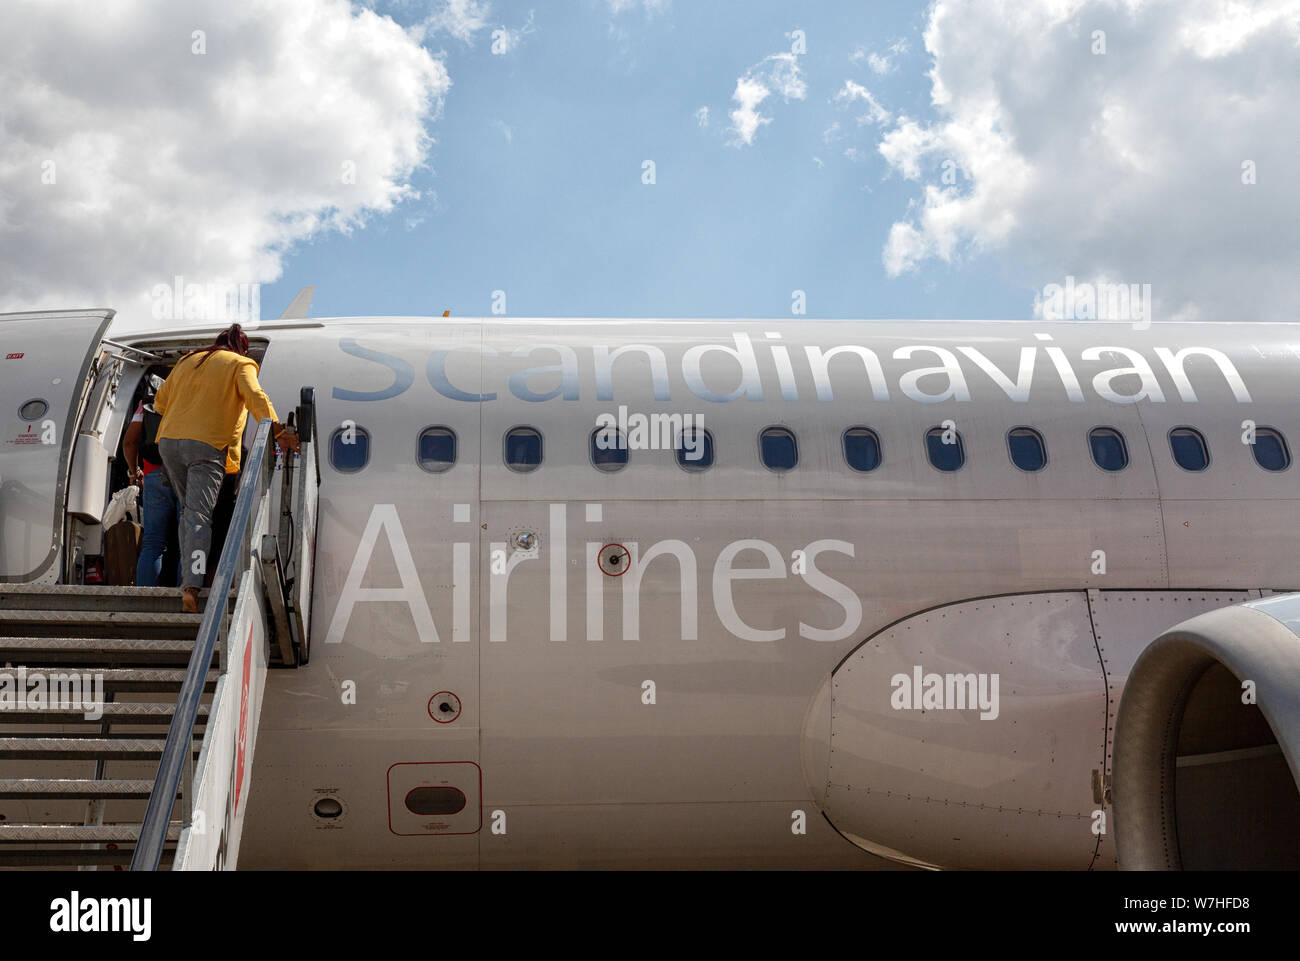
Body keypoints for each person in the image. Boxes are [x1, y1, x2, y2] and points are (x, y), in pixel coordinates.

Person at [154, 323, 299, 613]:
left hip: (169, 442)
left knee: (188, 513)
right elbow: (257, 398)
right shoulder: (240, 363)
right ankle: (192, 587)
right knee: (198, 516)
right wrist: (280, 432)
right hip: (207, 444)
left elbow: (159, 403)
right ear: (241, 348)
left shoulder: (186, 361)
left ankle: (188, 577)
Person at [122, 383, 179, 587]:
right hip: (186, 474)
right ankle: (185, 596)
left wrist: (134, 471)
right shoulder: (194, 396)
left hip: (153, 475)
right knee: (187, 542)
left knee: (153, 543)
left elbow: (130, 442)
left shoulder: (147, 402)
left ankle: (144, 595)